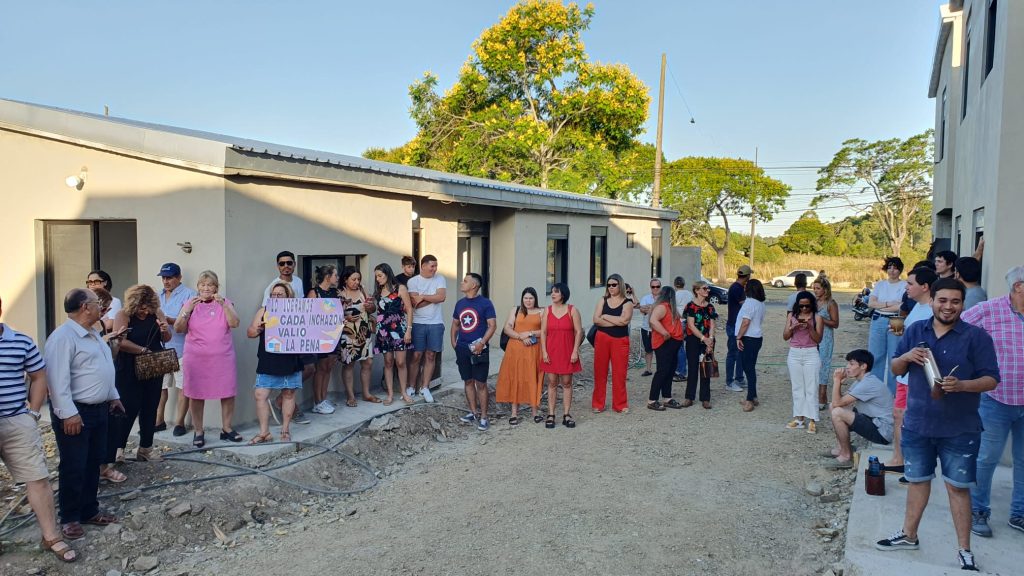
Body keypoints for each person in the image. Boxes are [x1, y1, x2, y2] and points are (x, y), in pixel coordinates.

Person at [875, 278, 999, 572]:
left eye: (955, 301)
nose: (948, 306)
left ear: (962, 304)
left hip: (960, 428)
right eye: (942, 300)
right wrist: (905, 356)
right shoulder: (916, 330)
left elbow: (991, 379)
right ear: (932, 301)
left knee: (958, 489)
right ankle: (909, 535)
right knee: (917, 482)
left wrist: (964, 385)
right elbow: (895, 367)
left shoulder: (977, 337)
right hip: (918, 423)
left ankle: (964, 550)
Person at [0, 295, 76, 562]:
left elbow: (38, 374)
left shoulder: (20, 341)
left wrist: (32, 412)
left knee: (38, 478)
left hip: (15, 421)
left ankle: (52, 536)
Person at [45, 288, 124, 541]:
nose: (101, 306)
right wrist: (68, 414)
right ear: (84, 307)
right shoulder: (63, 337)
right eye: (96, 302)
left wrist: (113, 396)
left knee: (94, 463)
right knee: (74, 465)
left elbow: (103, 367)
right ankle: (69, 518)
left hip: (100, 410)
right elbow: (57, 381)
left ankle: (90, 510)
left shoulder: (93, 334)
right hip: (76, 413)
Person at [962, 265, 1024, 538]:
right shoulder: (989, 309)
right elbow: (957, 328)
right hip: (996, 399)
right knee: (987, 458)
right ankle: (978, 510)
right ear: (1019, 287)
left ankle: (1019, 513)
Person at [106, 284, 172, 477]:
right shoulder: (123, 315)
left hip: (152, 364)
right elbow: (120, 341)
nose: (145, 311)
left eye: (148, 307)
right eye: (142, 307)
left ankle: (146, 447)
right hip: (129, 365)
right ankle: (119, 448)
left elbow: (166, 338)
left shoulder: (157, 312)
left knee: (151, 405)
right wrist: (142, 350)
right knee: (127, 407)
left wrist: (165, 328)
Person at [174, 270, 242, 448]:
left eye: (210, 285)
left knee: (227, 392)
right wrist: (186, 311)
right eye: (202, 285)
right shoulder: (189, 303)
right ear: (198, 287)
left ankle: (226, 428)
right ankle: (198, 431)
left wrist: (224, 306)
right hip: (196, 359)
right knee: (196, 394)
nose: (206, 288)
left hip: (223, 357)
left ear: (216, 287)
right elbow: (179, 328)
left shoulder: (225, 302)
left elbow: (235, 323)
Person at [888, 267, 938, 483]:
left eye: (910, 284)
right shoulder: (917, 307)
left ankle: (914, 466)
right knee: (899, 415)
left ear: (925, 287)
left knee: (910, 420)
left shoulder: (931, 311)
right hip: (904, 375)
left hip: (916, 377)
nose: (906, 287)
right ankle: (899, 459)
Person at [246, 282, 304, 444]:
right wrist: (259, 328)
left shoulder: (298, 311)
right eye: (274, 294)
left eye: (280, 294)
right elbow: (249, 332)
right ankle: (264, 432)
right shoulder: (264, 311)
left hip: (290, 357)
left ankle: (285, 430)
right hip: (268, 358)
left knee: (289, 393)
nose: (276, 297)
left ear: (289, 296)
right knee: (260, 394)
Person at [823, 349, 894, 469]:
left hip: (882, 431)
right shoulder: (861, 382)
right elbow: (839, 402)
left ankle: (846, 456)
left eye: (851, 364)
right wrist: (839, 383)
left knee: (837, 412)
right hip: (872, 420)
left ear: (863, 366)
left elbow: (837, 403)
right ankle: (841, 448)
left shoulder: (868, 383)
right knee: (834, 408)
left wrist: (836, 380)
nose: (847, 367)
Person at [451, 273, 497, 430]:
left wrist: (482, 342)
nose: (462, 283)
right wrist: (454, 342)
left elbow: (492, 325)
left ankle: (484, 417)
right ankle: (473, 412)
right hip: (462, 348)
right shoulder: (459, 304)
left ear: (474, 286)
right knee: (468, 381)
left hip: (479, 349)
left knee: (481, 383)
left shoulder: (486, 303)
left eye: (465, 281)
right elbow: (455, 324)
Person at [154, 263, 195, 437]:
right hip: (161, 348)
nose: (166, 281)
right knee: (159, 388)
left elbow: (191, 323)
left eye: (169, 277)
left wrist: (169, 320)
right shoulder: (157, 296)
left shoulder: (190, 295)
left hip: (182, 348)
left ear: (179, 278)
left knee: (182, 388)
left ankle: (179, 423)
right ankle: (158, 421)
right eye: (163, 277)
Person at [495, 287, 544, 425]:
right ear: (522, 299)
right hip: (515, 349)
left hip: (533, 350)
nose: (528, 301)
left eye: (531, 298)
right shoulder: (516, 310)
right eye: (525, 298)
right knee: (515, 378)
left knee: (531, 377)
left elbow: (545, 330)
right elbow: (507, 328)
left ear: (535, 299)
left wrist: (529, 333)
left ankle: (535, 411)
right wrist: (520, 337)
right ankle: (514, 413)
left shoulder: (542, 311)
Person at [539, 283, 583, 428]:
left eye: (556, 292)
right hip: (551, 351)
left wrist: (575, 350)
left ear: (563, 294)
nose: (552, 294)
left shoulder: (572, 310)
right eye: (552, 292)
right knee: (551, 383)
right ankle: (551, 414)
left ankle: (566, 414)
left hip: (567, 351)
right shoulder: (547, 310)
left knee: (567, 383)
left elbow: (578, 332)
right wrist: (544, 351)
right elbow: (543, 332)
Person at [591, 273, 634, 414]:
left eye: (614, 285)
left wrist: (606, 316)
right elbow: (596, 320)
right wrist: (615, 321)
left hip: (620, 341)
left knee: (619, 373)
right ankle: (598, 403)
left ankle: (620, 404)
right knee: (600, 372)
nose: (611, 287)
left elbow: (624, 321)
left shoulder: (627, 303)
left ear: (620, 285)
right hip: (602, 338)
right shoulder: (602, 300)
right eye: (608, 285)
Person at [407, 255, 447, 402]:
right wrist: (432, 297)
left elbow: (442, 297)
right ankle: (411, 387)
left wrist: (422, 296)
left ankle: (425, 388)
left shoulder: (440, 278)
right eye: (432, 266)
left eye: (436, 266)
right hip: (418, 323)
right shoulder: (413, 281)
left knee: (431, 355)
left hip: (435, 323)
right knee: (416, 355)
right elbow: (415, 304)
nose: (434, 269)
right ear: (423, 266)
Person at [784, 291, 824, 433]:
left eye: (807, 306)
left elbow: (818, 339)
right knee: (797, 387)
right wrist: (792, 328)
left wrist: (809, 327)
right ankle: (799, 418)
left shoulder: (817, 317)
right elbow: (785, 336)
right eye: (801, 306)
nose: (804, 309)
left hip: (811, 353)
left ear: (812, 305)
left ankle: (812, 419)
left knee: (811, 387)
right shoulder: (792, 316)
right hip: (794, 352)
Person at [373, 263, 413, 405]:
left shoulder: (400, 288)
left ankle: (403, 392)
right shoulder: (378, 291)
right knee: (388, 362)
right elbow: (377, 311)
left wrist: (409, 330)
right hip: (384, 330)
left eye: (380, 276)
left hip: (399, 329)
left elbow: (409, 309)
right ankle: (390, 394)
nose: (377, 279)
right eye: (376, 276)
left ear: (387, 274)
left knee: (401, 362)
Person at [338, 266, 378, 406]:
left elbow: (372, 308)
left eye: (358, 279)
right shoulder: (340, 294)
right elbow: (333, 315)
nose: (357, 282)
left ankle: (366, 393)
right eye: (353, 279)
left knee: (367, 362)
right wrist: (346, 317)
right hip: (348, 333)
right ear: (345, 279)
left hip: (364, 332)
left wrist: (370, 307)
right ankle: (350, 396)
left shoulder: (362, 290)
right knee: (349, 364)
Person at [867, 256, 907, 394]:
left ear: (900, 270)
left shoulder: (904, 286)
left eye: (895, 268)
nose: (892, 270)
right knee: (875, 355)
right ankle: (875, 391)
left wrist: (882, 306)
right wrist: (889, 303)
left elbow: (901, 306)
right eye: (889, 267)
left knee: (894, 357)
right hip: (878, 319)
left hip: (897, 321)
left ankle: (893, 394)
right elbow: (871, 303)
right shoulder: (880, 284)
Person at [307, 265, 341, 414]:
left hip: (333, 334)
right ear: (328, 277)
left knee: (328, 367)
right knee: (320, 368)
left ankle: (324, 398)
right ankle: (317, 401)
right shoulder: (314, 293)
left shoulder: (335, 292)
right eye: (335, 275)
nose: (337, 278)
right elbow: (309, 315)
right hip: (320, 335)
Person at [646, 285, 684, 411]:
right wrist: (664, 333)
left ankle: (667, 397)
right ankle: (652, 400)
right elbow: (653, 321)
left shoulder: (669, 307)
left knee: (670, 370)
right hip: (664, 343)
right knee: (662, 371)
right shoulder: (662, 306)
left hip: (673, 342)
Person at [682, 281, 718, 409]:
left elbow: (713, 324)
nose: (707, 290)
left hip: (708, 340)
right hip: (693, 340)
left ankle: (705, 398)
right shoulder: (690, 306)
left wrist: (711, 339)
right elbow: (691, 325)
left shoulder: (710, 307)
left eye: (708, 289)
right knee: (692, 368)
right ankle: (689, 397)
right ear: (697, 290)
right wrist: (703, 338)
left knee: (706, 368)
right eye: (704, 288)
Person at [735, 279, 766, 412]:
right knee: (750, 367)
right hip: (756, 338)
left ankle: (750, 399)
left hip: (748, 338)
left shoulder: (749, 303)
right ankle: (753, 396)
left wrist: (739, 336)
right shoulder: (760, 303)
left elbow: (746, 322)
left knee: (748, 368)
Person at [813, 277, 840, 410]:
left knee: (823, 365)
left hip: (826, 337)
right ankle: (813, 394)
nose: (815, 291)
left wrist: (821, 319)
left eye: (818, 288)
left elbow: (836, 324)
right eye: (814, 288)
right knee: (813, 365)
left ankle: (822, 395)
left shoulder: (831, 303)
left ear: (825, 289)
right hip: (813, 336)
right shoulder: (813, 302)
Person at [725, 265, 752, 391]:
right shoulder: (737, 288)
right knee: (733, 353)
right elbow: (745, 305)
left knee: (740, 353)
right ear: (747, 276)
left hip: (738, 325)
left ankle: (739, 378)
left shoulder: (739, 287)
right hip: (734, 326)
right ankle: (729, 382)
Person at [637, 278, 661, 377]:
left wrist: (649, 307)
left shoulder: (664, 298)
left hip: (660, 329)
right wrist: (653, 308)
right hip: (647, 328)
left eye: (657, 286)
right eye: (653, 286)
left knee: (660, 351)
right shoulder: (645, 298)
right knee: (648, 350)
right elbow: (642, 310)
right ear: (650, 287)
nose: (655, 288)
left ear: (660, 287)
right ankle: (648, 369)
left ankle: (660, 370)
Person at [672, 276, 693, 383]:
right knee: (685, 346)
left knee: (679, 347)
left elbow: (673, 309)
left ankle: (681, 371)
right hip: (689, 321)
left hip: (680, 321)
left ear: (675, 284)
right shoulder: (689, 294)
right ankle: (682, 369)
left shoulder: (674, 295)